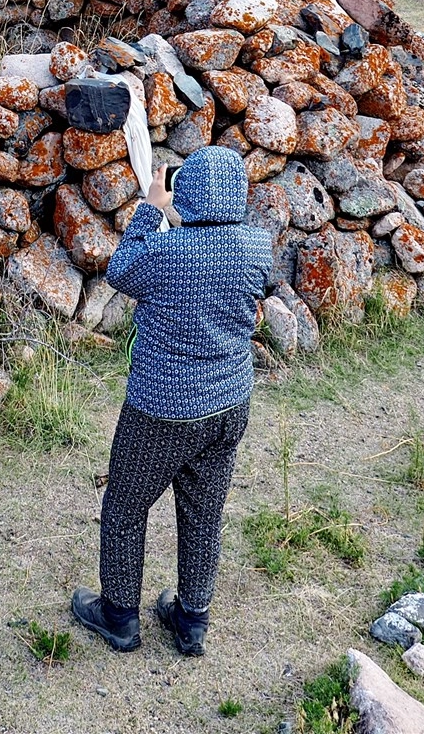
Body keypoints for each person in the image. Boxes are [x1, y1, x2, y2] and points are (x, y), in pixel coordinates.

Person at [69, 146, 270, 658]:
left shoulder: (165, 253)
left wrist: (152, 207)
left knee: (126, 506)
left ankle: (119, 617)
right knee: (204, 511)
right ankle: (192, 620)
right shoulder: (256, 246)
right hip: (229, 402)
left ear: (189, 193)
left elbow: (120, 270)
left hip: (163, 406)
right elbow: (216, 248)